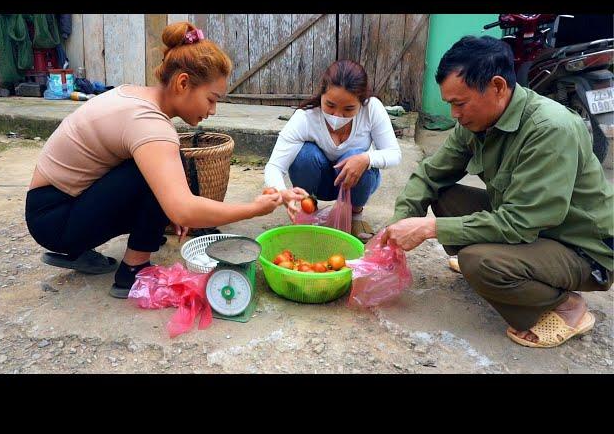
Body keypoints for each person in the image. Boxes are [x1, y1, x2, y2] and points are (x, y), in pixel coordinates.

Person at [382, 35, 613, 348]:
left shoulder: (549, 128)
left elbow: (520, 221)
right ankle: (507, 267)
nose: (454, 115)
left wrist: (428, 227)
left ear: (498, 86)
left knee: (479, 263)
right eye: (451, 104)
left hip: (580, 247)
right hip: (534, 229)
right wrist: (400, 223)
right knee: (443, 195)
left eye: (459, 103)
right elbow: (430, 174)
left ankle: (566, 306)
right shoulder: (475, 122)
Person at [25, 22, 282, 299]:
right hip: (55, 220)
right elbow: (184, 210)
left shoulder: (137, 97)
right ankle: (134, 271)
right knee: (162, 174)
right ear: (183, 83)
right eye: (211, 99)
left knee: (168, 169)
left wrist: (170, 206)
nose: (213, 110)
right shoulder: (150, 124)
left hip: (53, 208)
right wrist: (253, 209)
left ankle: (81, 250)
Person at [264, 59, 401, 241]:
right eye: (330, 105)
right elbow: (274, 166)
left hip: (354, 185)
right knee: (305, 155)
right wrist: (282, 193)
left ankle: (355, 214)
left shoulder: (372, 109)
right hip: (318, 183)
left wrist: (366, 159)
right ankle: (309, 209)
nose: (337, 116)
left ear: (362, 102)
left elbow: (394, 154)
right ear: (321, 95)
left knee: (357, 157)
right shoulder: (305, 118)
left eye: (349, 109)